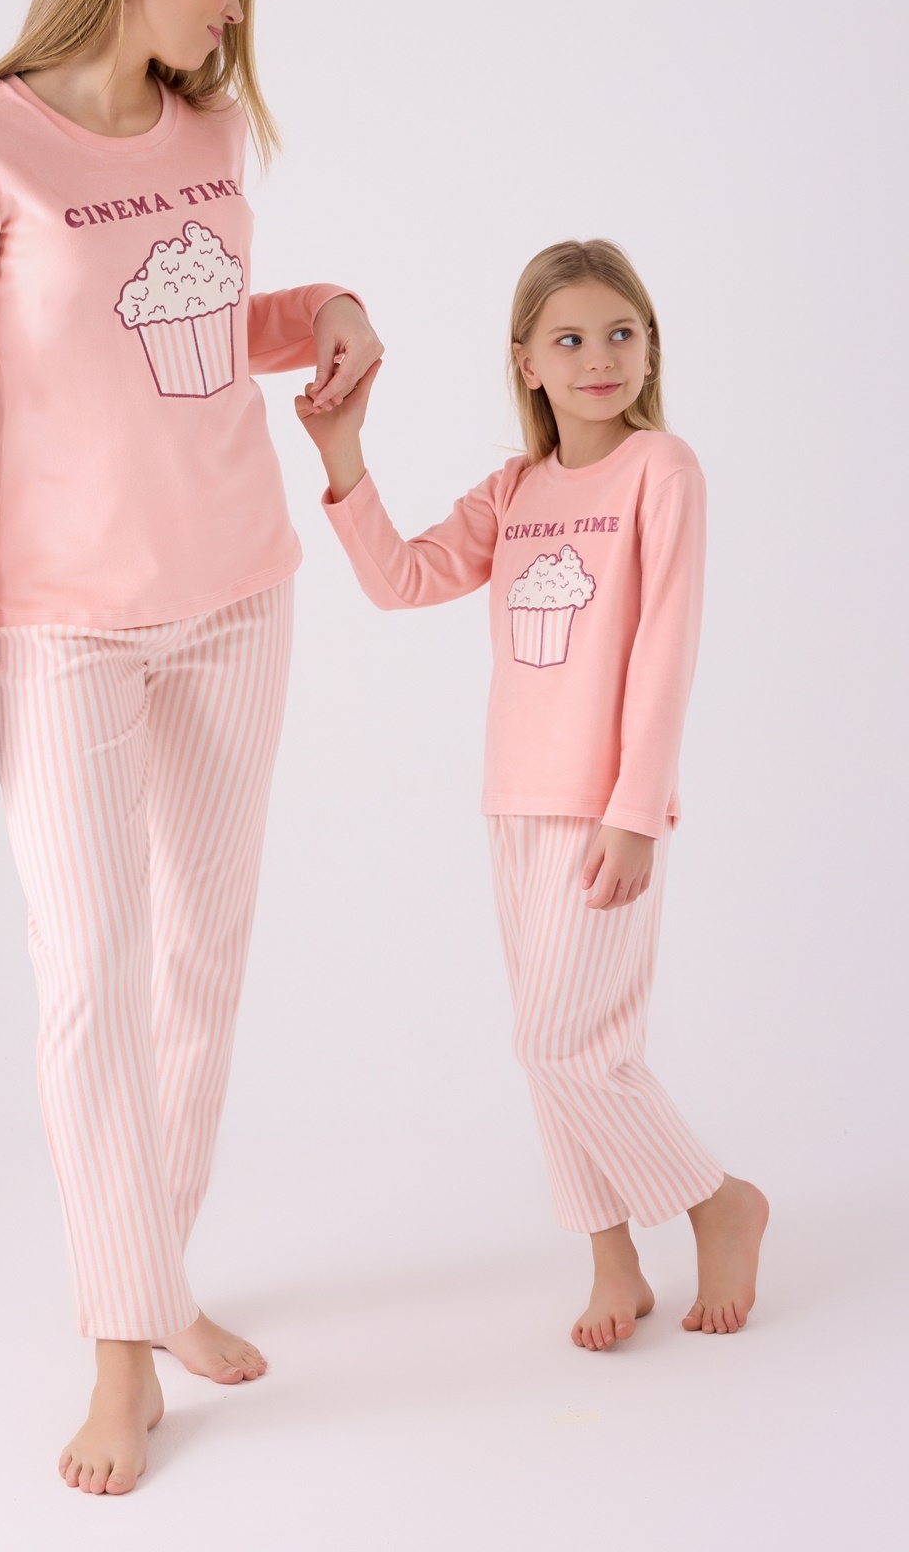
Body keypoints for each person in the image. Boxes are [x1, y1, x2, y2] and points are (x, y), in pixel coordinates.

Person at [0, 0, 381, 1496]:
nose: (239, 10)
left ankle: (150, 1276)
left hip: (240, 592)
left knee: (199, 964)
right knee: (92, 980)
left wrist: (322, 307)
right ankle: (123, 1356)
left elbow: (198, 317)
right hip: (64, 632)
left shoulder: (210, 127)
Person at [294, 238, 768, 1352]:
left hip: (610, 812)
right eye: (571, 339)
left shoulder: (662, 469)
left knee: (566, 1044)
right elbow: (403, 580)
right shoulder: (515, 490)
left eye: (621, 333)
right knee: (556, 1045)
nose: (600, 357)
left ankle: (717, 1203)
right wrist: (344, 453)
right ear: (528, 362)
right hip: (514, 805)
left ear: (649, 348)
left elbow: (666, 646)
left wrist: (637, 810)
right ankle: (612, 1261)